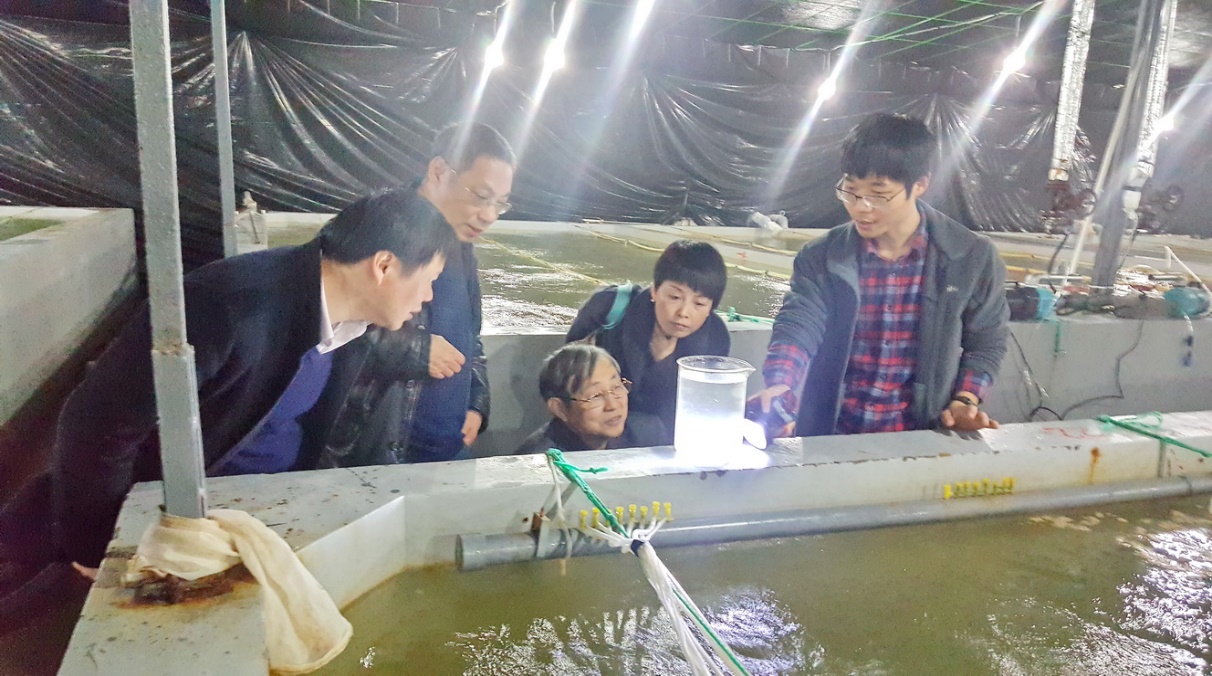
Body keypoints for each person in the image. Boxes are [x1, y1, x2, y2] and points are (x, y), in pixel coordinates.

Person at [0, 188, 455, 576]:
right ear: (383, 266)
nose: (428, 296)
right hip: (172, 519)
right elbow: (95, 420)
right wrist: (100, 546)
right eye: (429, 279)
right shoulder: (231, 307)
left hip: (260, 509)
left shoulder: (351, 325)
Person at [750, 113, 1009, 437]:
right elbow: (798, 324)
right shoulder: (821, 257)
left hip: (922, 439)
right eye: (851, 190)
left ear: (920, 184)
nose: (861, 207)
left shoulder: (970, 257)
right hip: (830, 437)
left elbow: (986, 340)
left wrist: (965, 399)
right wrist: (781, 384)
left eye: (877, 194)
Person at [310, 123, 515, 468]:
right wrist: (414, 348)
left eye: (500, 204)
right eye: (481, 197)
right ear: (439, 171)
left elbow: (470, 334)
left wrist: (477, 401)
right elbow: (325, 325)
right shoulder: (376, 227)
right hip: (381, 459)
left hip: (448, 451)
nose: (490, 216)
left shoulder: (461, 246)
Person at [565, 240, 730, 443]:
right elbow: (568, 373)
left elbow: (699, 409)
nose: (684, 312)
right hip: (597, 439)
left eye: (699, 303)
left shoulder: (716, 338)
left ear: (711, 308)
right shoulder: (609, 307)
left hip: (666, 444)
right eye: (674, 297)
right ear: (654, 291)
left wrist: (664, 363)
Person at [515, 344, 665, 454]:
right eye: (596, 395)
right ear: (560, 409)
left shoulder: (649, 434)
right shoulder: (539, 460)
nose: (612, 405)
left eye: (616, 387)